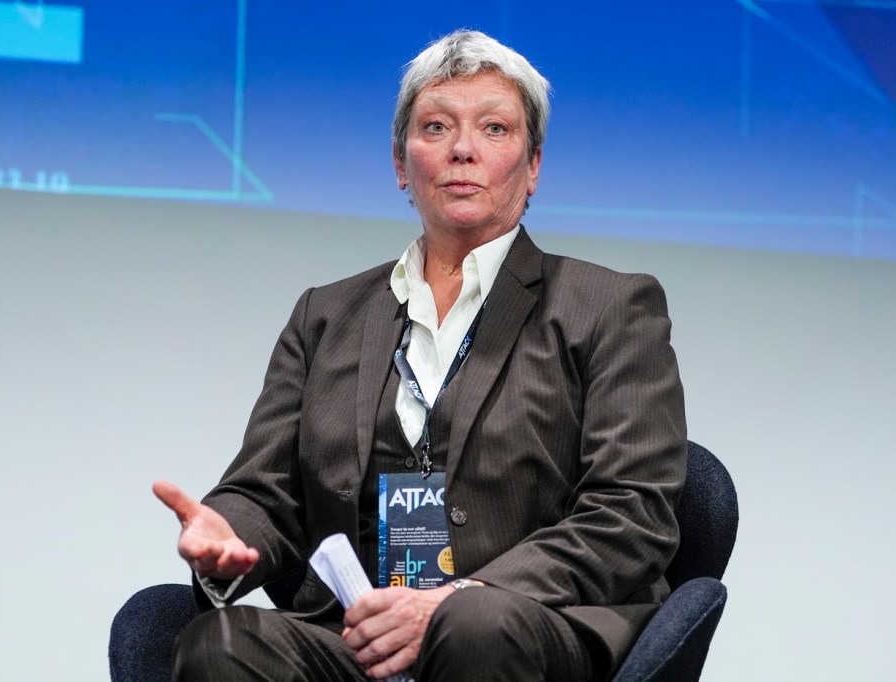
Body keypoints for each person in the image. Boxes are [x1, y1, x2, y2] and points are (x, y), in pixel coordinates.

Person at [154, 29, 687, 682]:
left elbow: (633, 513)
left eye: (494, 128)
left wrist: (455, 600)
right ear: (402, 165)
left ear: (533, 167)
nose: (462, 149)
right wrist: (227, 534)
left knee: (474, 627)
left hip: (527, 622)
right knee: (220, 645)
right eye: (436, 127)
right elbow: (264, 493)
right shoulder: (325, 315)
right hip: (358, 632)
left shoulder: (610, 306)